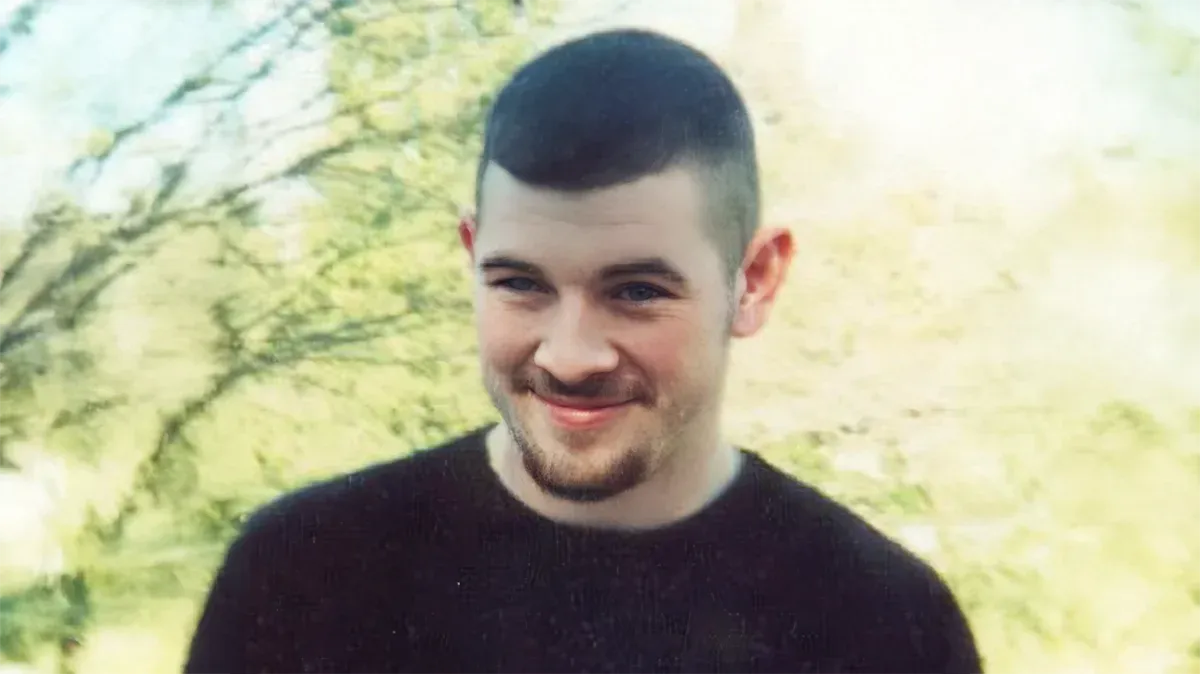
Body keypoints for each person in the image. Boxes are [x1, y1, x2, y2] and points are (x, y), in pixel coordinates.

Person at [183, 28, 984, 674]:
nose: (569, 356)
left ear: (756, 283)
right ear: (471, 254)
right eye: (520, 284)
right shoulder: (300, 577)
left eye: (636, 291)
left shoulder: (887, 625)